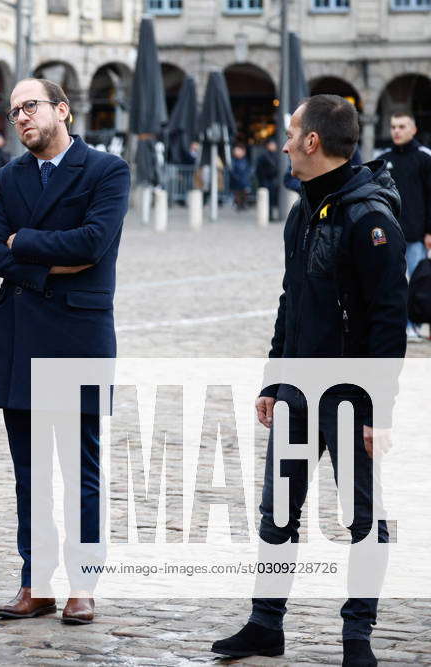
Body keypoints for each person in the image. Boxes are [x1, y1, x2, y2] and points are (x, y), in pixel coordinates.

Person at [211, 95, 408, 665]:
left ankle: (357, 638)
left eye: (292, 132)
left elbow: (387, 321)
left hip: (349, 399)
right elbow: (291, 298)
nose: (284, 142)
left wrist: (380, 412)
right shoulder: (304, 209)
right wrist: (274, 378)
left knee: (362, 520)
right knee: (278, 514)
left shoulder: (368, 216)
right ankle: (264, 624)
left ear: (313, 142)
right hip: (299, 392)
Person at [0, 78, 130, 625]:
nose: (21, 117)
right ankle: (36, 581)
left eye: (31, 106)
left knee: (79, 468)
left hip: (77, 338)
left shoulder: (106, 170)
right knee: (30, 472)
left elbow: (93, 243)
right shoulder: (7, 177)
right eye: (14, 110)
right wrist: (43, 257)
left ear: (61, 110)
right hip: (20, 337)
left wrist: (25, 243)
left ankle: (83, 585)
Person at [385, 112, 431, 340]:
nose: (396, 131)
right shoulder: (383, 159)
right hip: (389, 236)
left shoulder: (425, 158)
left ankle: (413, 324)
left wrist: (430, 231)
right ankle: (397, 326)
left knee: (416, 283)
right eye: (393, 126)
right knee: (392, 284)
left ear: (413, 129)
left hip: (416, 235)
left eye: (402, 126)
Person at [255, 139, 280, 220]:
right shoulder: (263, 156)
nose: (273, 146)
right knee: (267, 200)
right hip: (265, 181)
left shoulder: (277, 156)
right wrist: (261, 180)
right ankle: (268, 216)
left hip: (273, 180)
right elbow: (259, 170)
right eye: (271, 145)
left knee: (273, 199)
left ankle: (271, 215)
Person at [229, 144, 251, 211]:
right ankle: (238, 205)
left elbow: (248, 170)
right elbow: (232, 171)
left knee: (244, 193)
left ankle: (243, 205)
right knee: (237, 193)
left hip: (244, 181)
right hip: (236, 182)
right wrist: (236, 178)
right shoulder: (233, 161)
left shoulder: (245, 161)